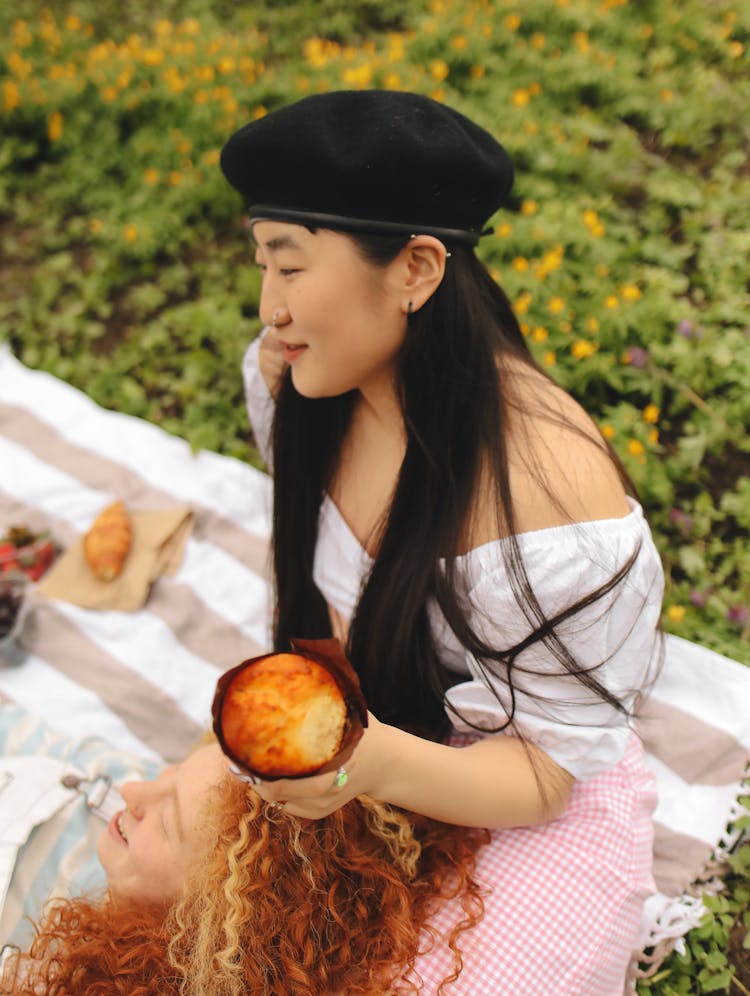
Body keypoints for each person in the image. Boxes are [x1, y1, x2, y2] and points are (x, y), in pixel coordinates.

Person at [221, 89, 663, 993]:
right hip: (373, 728)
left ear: (417, 269)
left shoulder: (546, 504)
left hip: (519, 792)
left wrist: (368, 761)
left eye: (291, 266)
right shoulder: (302, 381)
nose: (269, 308)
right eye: (262, 265)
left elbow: (546, 773)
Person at [0, 712, 488, 995]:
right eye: (168, 774)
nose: (132, 790)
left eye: (167, 823)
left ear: (199, 926)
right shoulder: (118, 800)